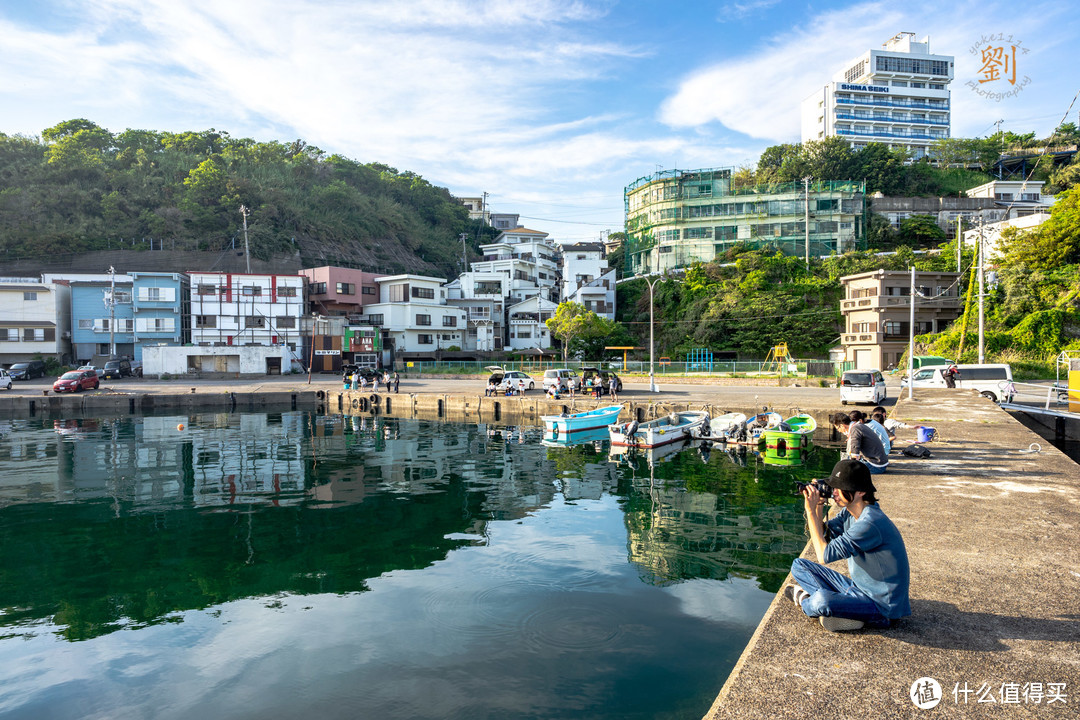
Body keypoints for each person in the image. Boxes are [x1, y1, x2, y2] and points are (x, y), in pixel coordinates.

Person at [785, 458, 911, 632]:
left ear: (859, 492)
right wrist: (818, 506)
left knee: (822, 600)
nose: (834, 493)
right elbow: (823, 533)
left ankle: (807, 601)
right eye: (833, 488)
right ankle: (845, 611)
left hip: (882, 607)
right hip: (858, 589)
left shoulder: (870, 523)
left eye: (839, 488)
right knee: (799, 565)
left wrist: (809, 510)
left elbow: (823, 555)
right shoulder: (851, 513)